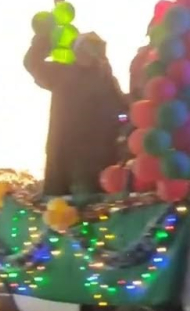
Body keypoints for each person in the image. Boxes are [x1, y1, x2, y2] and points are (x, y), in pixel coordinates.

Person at [25, 32, 127, 196]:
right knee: (62, 203)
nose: (92, 52)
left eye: (97, 48)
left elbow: (121, 112)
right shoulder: (61, 73)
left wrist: (124, 128)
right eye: (88, 47)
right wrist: (45, 36)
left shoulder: (106, 79)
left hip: (100, 159)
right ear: (77, 50)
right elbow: (32, 63)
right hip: (65, 154)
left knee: (92, 202)